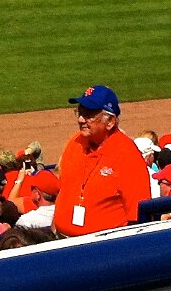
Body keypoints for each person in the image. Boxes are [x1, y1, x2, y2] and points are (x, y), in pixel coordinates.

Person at [52, 84, 150, 236]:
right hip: (63, 239)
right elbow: (63, 191)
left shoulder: (127, 155)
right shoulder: (75, 142)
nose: (80, 119)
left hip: (104, 245)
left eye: (89, 114)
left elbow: (138, 216)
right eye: (80, 112)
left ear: (110, 121)